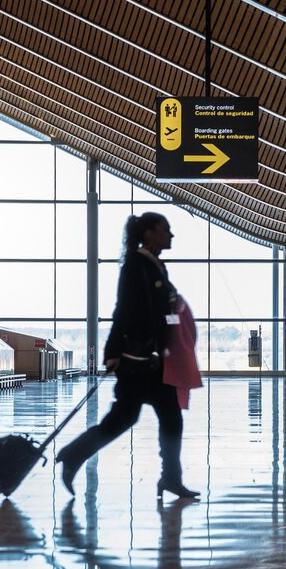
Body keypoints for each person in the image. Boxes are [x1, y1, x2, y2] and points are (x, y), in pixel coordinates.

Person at [55, 212, 200, 499]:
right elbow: (124, 309)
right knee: (123, 420)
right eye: (165, 229)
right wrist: (111, 352)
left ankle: (171, 478)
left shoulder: (155, 266)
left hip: (154, 361)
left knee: (169, 419)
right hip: (137, 362)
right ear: (148, 233)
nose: (171, 236)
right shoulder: (136, 265)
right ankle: (73, 454)